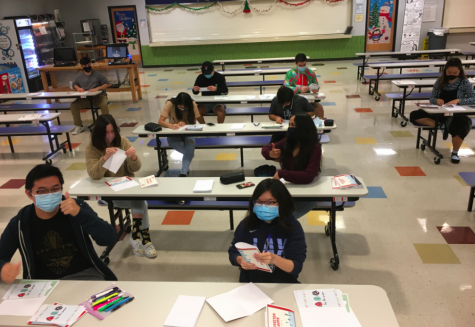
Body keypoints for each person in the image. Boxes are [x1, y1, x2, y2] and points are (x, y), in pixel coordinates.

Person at [0, 164, 117, 283]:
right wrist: (3, 269)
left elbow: (109, 239)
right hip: (41, 285)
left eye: (55, 189)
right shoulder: (21, 222)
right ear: (29, 194)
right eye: (42, 191)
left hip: (84, 276)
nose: (49, 194)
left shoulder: (77, 208)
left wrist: (81, 215)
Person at [85, 114, 157, 258]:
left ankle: (137, 238)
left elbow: (135, 169)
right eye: (106, 133)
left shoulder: (123, 141)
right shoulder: (92, 148)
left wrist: (134, 157)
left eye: (113, 132)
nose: (110, 136)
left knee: (139, 200)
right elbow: (93, 174)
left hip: (127, 187)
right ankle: (144, 238)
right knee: (141, 203)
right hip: (109, 192)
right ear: (99, 133)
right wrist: (104, 158)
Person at [228, 179, 307, 283]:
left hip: (283, 283)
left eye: (270, 202)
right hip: (251, 283)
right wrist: (241, 261)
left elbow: (296, 266)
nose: (263, 206)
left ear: (282, 203)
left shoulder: (293, 227)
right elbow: (233, 252)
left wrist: (274, 259)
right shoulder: (246, 225)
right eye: (259, 202)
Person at [410, 58, 475, 164]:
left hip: (456, 115)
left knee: (462, 126)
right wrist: (437, 100)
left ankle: (455, 153)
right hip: (439, 112)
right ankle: (440, 125)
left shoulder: (464, 82)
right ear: (445, 71)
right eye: (449, 72)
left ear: (460, 71)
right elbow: (432, 98)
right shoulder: (440, 81)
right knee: (414, 115)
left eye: (455, 73)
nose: (452, 74)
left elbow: (473, 99)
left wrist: (459, 100)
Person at [261, 114, 322, 219]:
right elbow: (266, 148)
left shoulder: (314, 148)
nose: (290, 128)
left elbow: (308, 176)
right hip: (288, 189)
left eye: (293, 125)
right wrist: (270, 154)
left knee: (284, 219)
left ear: (303, 127)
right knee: (267, 213)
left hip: (307, 193)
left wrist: (282, 173)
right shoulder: (288, 142)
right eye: (289, 124)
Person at [159, 92, 206, 176]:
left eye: (184, 108)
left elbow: (194, 121)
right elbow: (160, 121)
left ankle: (183, 172)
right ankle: (190, 155)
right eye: (180, 107)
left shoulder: (192, 104)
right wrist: (171, 125)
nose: (182, 109)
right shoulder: (170, 103)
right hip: (173, 132)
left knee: (190, 143)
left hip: (188, 131)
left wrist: (185, 123)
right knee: (189, 151)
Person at [70, 57, 110, 135]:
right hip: (86, 98)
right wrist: (79, 88)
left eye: (88, 64)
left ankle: (107, 124)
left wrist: (97, 88)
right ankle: (79, 126)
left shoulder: (97, 74)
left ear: (90, 63)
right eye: (85, 65)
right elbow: (74, 84)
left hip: (99, 96)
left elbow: (107, 84)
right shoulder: (79, 76)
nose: (87, 66)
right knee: (74, 105)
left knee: (104, 104)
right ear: (82, 66)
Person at [284, 53, 324, 119]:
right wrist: (299, 89)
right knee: (298, 112)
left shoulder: (311, 73)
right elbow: (286, 88)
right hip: (294, 100)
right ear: (295, 63)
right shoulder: (290, 73)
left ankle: (317, 126)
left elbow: (316, 85)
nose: (302, 67)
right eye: (300, 65)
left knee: (319, 108)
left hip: (308, 100)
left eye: (304, 65)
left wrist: (316, 89)